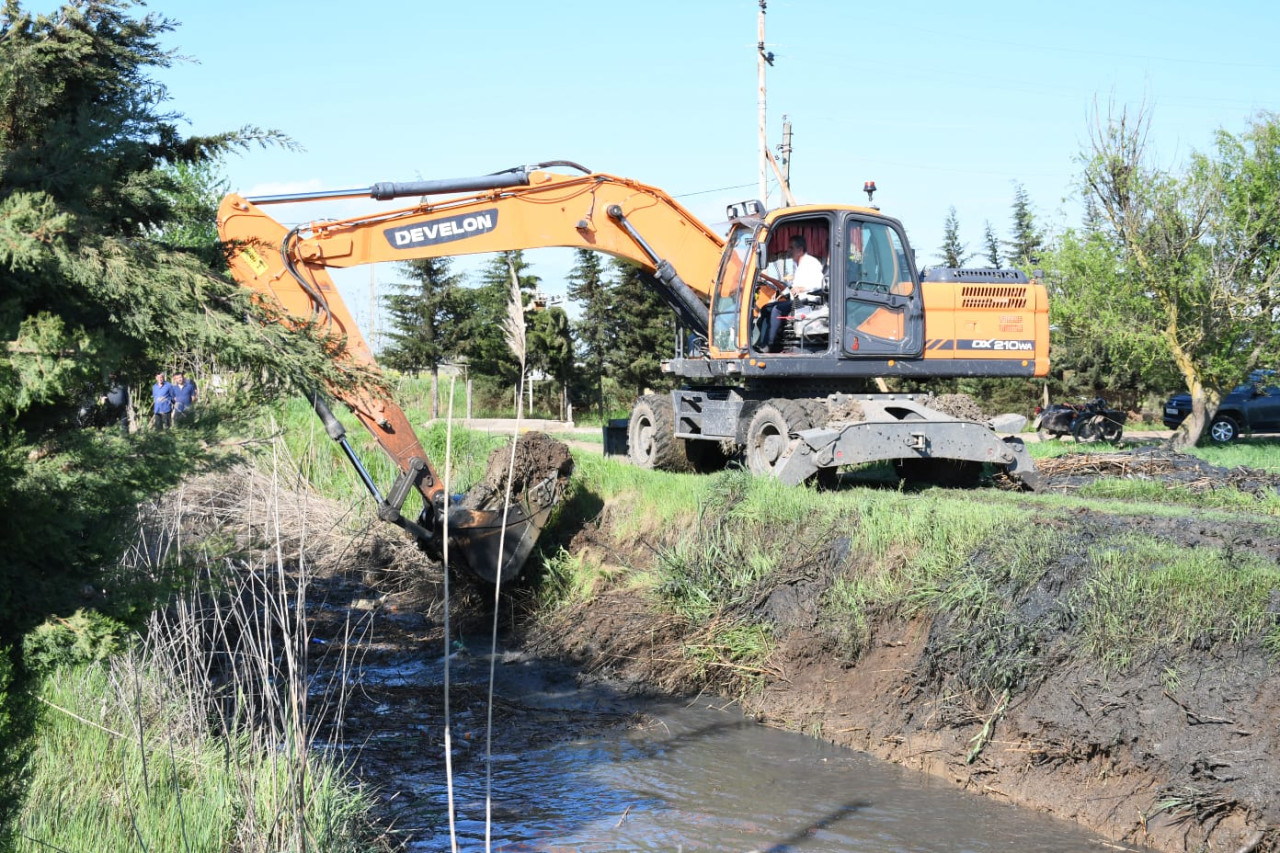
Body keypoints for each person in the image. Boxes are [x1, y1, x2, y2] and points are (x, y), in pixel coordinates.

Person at [756, 236, 825, 352]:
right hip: (796, 300)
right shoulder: (798, 265)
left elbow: (820, 284)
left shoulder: (811, 263)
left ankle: (769, 345)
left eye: (791, 248)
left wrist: (801, 288)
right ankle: (761, 342)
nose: (789, 251)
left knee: (777, 309)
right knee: (766, 308)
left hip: (806, 302)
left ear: (800, 249)